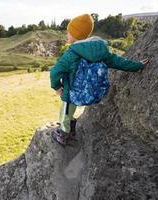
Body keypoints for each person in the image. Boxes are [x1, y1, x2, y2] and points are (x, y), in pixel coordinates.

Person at [50, 14, 149, 146]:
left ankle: (63, 135)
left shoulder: (71, 53)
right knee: (70, 111)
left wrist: (57, 87)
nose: (67, 35)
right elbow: (118, 61)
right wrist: (137, 66)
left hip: (71, 92)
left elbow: (55, 72)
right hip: (89, 91)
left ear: (76, 35)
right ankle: (71, 130)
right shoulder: (100, 49)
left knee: (66, 110)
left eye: (69, 32)